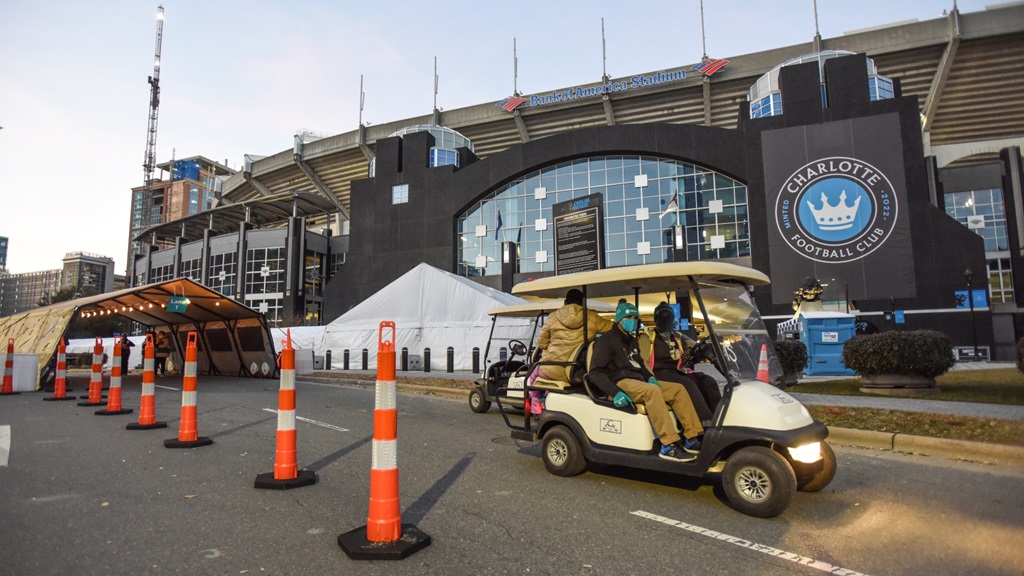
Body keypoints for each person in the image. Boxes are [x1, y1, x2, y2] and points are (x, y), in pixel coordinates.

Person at [588, 301, 704, 463]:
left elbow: (640, 363)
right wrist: (614, 393)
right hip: (620, 382)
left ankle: (692, 437)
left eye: (635, 317)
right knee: (652, 391)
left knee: (678, 389)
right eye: (629, 317)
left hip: (638, 380)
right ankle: (668, 444)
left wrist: (650, 377)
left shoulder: (632, 340)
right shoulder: (607, 341)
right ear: (620, 319)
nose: (633, 321)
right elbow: (595, 372)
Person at [528, 289, 614, 414]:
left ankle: (535, 404)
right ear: (582, 302)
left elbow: (542, 344)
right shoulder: (592, 317)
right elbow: (612, 329)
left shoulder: (553, 317)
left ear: (565, 302)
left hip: (551, 369)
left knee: (532, 374)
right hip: (577, 371)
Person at [641, 302, 722, 424]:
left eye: (668, 317)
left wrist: (705, 349)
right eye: (661, 317)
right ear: (655, 320)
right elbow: (642, 361)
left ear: (673, 319)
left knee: (707, 381)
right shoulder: (647, 337)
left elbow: (695, 346)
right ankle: (704, 421)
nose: (665, 320)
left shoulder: (677, 336)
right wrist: (650, 377)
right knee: (688, 385)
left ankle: (719, 418)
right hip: (657, 373)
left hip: (678, 371)